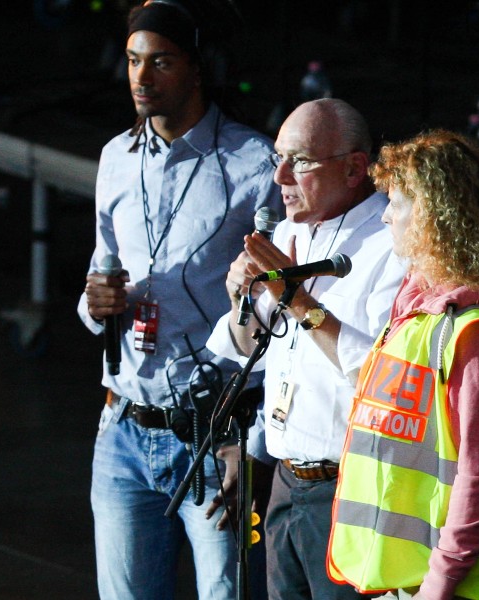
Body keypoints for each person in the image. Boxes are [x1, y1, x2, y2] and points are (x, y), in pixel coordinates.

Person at [76, 1, 283, 598]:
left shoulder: (253, 164)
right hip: (123, 429)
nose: (141, 78)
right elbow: (97, 283)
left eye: (160, 62)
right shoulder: (117, 157)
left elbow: (279, 315)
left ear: (196, 68)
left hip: (216, 434)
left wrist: (256, 446)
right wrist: (95, 302)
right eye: (134, 61)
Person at [327, 129, 479, 600]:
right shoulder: (419, 314)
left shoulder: (476, 336)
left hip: (458, 588)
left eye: (397, 202)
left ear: (435, 217)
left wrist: (438, 586)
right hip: (406, 581)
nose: (386, 215)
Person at [205, 98, 407, 599]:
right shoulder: (291, 232)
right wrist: (241, 298)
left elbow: (381, 375)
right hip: (285, 483)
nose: (279, 177)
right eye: (279, 157)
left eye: (300, 161)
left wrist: (298, 302)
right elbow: (245, 347)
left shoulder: (391, 244)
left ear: (356, 167)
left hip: (351, 489)